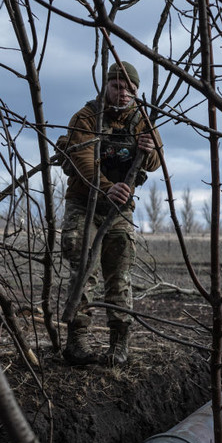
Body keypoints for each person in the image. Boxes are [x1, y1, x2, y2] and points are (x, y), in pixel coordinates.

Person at [58, 61, 163, 366]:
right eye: (117, 86)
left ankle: (119, 346)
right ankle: (76, 343)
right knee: (83, 273)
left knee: (120, 276)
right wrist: (106, 188)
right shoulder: (86, 117)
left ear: (136, 91)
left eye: (129, 89)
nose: (123, 94)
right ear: (106, 85)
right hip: (85, 204)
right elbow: (82, 161)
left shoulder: (142, 119)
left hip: (120, 210)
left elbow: (156, 162)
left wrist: (150, 148)